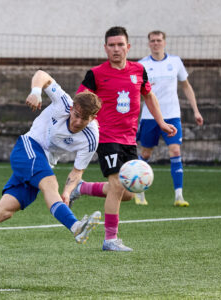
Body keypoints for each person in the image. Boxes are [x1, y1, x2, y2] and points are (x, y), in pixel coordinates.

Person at [0, 70, 102, 270]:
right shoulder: (64, 102)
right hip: (28, 147)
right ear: (72, 108)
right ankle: (75, 227)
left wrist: (67, 193)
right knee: (50, 184)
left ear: (93, 118)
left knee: (5, 211)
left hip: (42, 163)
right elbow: (42, 75)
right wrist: (35, 92)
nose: (77, 122)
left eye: (84, 119)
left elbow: (77, 172)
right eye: (76, 115)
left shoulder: (91, 139)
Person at [71, 26, 177, 252]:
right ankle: (110, 239)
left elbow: (149, 96)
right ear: (105, 48)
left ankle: (81, 188)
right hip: (106, 136)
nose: (116, 49)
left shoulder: (139, 70)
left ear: (128, 47)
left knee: (127, 192)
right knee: (117, 184)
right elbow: (79, 102)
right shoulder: (96, 73)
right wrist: (79, 125)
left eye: (120, 45)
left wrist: (161, 122)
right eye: (112, 45)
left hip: (129, 138)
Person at [134, 30, 204, 207]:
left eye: (159, 40)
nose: (156, 43)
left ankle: (179, 196)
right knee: (146, 153)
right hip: (150, 117)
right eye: (152, 41)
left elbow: (186, 86)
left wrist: (196, 110)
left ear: (164, 42)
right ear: (148, 43)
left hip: (172, 115)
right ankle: (140, 193)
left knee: (175, 151)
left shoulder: (175, 62)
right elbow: (135, 92)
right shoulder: (141, 65)